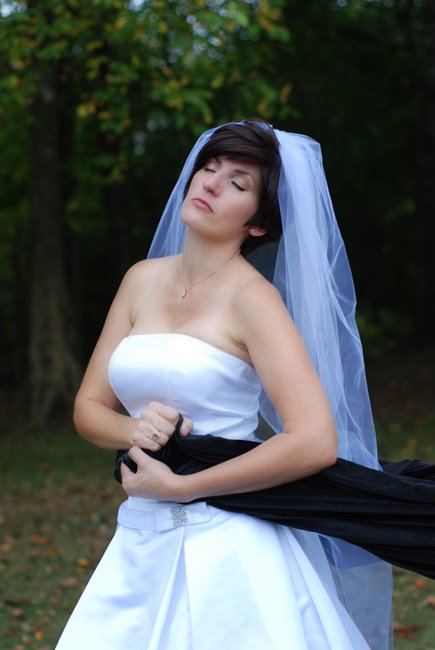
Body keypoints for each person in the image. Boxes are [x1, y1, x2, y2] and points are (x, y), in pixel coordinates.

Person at [55, 121, 393, 649]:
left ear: (257, 224)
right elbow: (89, 407)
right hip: (140, 537)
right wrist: (134, 429)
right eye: (209, 167)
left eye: (237, 182)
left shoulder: (254, 300)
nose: (210, 183)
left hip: (230, 544)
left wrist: (184, 487)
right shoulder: (141, 279)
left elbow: (314, 440)